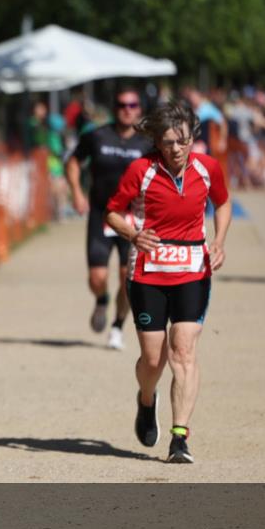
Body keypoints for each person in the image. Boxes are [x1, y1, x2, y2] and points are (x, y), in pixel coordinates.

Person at [104, 100, 232, 463]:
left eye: (182, 140)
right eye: (168, 142)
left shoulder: (208, 169)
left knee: (184, 349)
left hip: (193, 269)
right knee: (153, 358)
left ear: (193, 136)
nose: (176, 149)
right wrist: (133, 235)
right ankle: (146, 400)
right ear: (157, 142)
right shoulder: (140, 170)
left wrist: (219, 241)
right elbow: (112, 211)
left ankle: (180, 437)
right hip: (148, 272)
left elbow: (222, 203)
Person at [66, 88, 152, 350]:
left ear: (139, 109)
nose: (127, 109)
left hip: (132, 218)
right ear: (114, 107)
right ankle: (102, 300)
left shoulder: (147, 142)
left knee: (128, 277)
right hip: (101, 214)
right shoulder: (96, 135)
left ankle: (117, 326)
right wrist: (78, 194)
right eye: (122, 104)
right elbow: (73, 163)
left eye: (133, 104)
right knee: (97, 277)